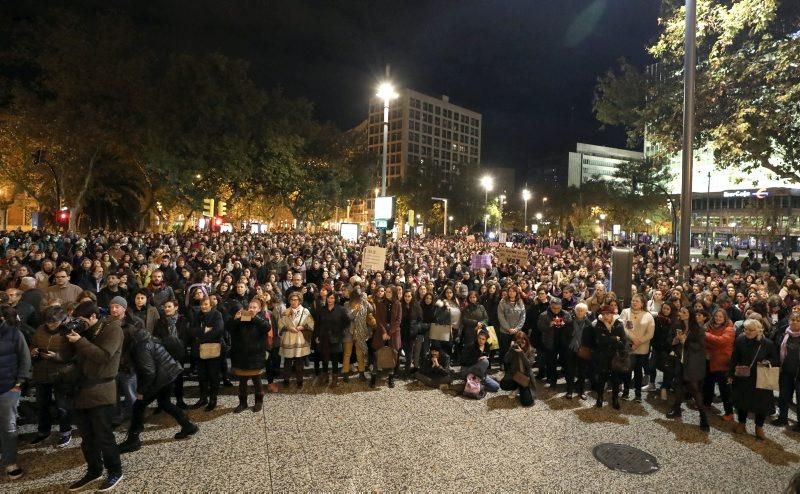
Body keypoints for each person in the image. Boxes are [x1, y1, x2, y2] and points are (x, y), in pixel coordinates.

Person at [66, 301, 124, 492]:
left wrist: (80, 341)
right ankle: (94, 470)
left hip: (101, 389)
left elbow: (103, 356)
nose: (80, 324)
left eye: (82, 320)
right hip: (81, 389)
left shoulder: (113, 330)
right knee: (87, 437)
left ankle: (115, 471)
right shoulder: (85, 332)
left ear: (93, 316)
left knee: (103, 435)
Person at [117, 326, 198, 453]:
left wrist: (141, 391)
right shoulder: (143, 338)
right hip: (169, 373)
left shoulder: (140, 346)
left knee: (138, 406)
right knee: (165, 403)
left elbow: (149, 372)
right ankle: (188, 426)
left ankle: (133, 440)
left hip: (161, 378)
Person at [29, 306, 74, 448]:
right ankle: (43, 431)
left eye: (54, 323)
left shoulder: (69, 331)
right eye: (48, 322)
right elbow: (33, 344)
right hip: (41, 372)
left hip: (61, 373)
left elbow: (74, 354)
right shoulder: (40, 329)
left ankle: (66, 432)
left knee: (62, 406)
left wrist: (56, 356)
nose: (51, 325)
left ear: (62, 320)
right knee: (42, 404)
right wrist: (34, 351)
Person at [729, 318, 779, 439]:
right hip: (743, 376)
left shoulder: (767, 343)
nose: (747, 332)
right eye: (746, 329)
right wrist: (730, 374)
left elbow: (775, 360)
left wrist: (767, 361)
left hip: (761, 377)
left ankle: (759, 427)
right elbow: (734, 357)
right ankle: (742, 423)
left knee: (761, 403)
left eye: (751, 330)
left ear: (759, 330)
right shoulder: (740, 339)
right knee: (742, 401)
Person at [0, 305, 31, 481]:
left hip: (8, 387)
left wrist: (18, 384)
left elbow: (25, 359)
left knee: (8, 426)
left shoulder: (13, 333)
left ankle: (10, 461)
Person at [666, 308, 710, 432]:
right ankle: (677, 409)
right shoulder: (676, 325)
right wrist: (674, 340)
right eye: (680, 312)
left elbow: (700, 346)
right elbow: (669, 340)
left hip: (692, 363)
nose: (681, 314)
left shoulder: (697, 328)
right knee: (678, 385)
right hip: (679, 360)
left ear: (690, 315)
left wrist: (686, 342)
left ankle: (703, 417)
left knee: (694, 389)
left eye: (685, 312)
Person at [228, 298, 272, 412]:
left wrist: (255, 317)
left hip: (256, 355)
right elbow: (230, 329)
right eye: (250, 307)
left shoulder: (261, 318)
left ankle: (259, 401)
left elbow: (266, 327)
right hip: (241, 355)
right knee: (242, 381)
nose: (251, 309)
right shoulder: (242, 317)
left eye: (254, 307)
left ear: (259, 309)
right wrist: (236, 319)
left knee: (257, 380)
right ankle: (242, 403)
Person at [152, 299, 190, 409]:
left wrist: (179, 345)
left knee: (178, 378)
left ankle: (180, 400)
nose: (166, 309)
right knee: (163, 378)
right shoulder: (160, 321)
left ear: (176, 307)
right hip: (164, 353)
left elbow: (186, 336)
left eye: (169, 306)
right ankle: (163, 403)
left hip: (179, 352)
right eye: (165, 307)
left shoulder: (183, 320)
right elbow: (156, 336)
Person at [588, 305, 627, 409]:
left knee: (615, 379)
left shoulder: (619, 324)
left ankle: (615, 399)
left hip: (615, 356)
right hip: (602, 355)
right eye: (604, 314)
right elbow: (599, 341)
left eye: (608, 314)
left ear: (613, 314)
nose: (605, 316)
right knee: (602, 378)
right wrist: (614, 338)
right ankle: (599, 397)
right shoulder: (598, 324)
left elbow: (623, 341)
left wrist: (608, 339)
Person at [190, 296, 225, 411]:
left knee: (213, 376)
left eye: (206, 304)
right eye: (202, 304)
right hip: (199, 351)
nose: (203, 307)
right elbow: (191, 330)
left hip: (212, 350)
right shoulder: (198, 315)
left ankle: (213, 399)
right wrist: (204, 330)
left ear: (211, 305)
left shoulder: (216, 315)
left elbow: (218, 330)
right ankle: (203, 398)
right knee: (202, 376)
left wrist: (201, 338)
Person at [619, 294, 654, 402]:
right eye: (633, 300)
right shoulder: (626, 312)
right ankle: (625, 391)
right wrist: (633, 339)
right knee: (627, 370)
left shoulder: (648, 316)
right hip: (628, 346)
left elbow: (650, 333)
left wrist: (639, 342)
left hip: (642, 348)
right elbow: (623, 327)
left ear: (642, 303)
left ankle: (638, 394)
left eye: (637, 301)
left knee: (638, 372)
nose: (634, 302)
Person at [703, 308, 736, 421]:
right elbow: (712, 343)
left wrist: (706, 336)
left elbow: (721, 341)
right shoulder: (709, 326)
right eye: (716, 316)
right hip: (709, 360)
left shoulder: (729, 329)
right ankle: (707, 403)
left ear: (725, 318)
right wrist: (713, 344)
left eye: (720, 317)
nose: (718, 318)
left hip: (722, 363)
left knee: (725, 389)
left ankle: (729, 412)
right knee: (708, 384)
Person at [278, 292, 314, 389]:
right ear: (289, 301)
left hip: (300, 339)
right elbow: (280, 324)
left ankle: (300, 381)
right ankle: (286, 380)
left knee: (299, 362)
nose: (294, 302)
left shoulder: (305, 311)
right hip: (288, 338)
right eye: (292, 300)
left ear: (299, 300)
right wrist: (289, 328)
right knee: (287, 361)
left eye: (296, 300)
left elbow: (311, 323)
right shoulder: (285, 312)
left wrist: (302, 326)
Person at [313, 292, 349, 387]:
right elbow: (317, 324)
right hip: (323, 338)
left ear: (335, 299)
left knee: (335, 361)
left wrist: (341, 333)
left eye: (332, 298)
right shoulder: (321, 310)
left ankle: (335, 380)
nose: (330, 300)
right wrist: (316, 336)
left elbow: (347, 322)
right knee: (324, 359)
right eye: (328, 298)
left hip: (336, 339)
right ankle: (325, 377)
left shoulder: (341, 310)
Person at [774, 312, 800, 430]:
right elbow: (776, 346)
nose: (794, 322)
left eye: (797, 320)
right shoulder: (784, 332)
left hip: (798, 373)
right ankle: (782, 418)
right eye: (792, 320)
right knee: (783, 396)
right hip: (786, 371)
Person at [371, 285, 401, 388]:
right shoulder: (380, 303)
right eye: (386, 291)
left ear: (393, 293)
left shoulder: (398, 304)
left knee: (392, 355)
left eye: (389, 292)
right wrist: (384, 332)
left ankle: (391, 378)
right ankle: (373, 377)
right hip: (381, 332)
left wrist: (390, 332)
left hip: (393, 333)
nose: (387, 293)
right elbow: (378, 319)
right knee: (378, 353)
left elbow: (398, 321)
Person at [343, 279, 372, 383]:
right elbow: (348, 317)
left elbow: (372, 309)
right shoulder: (347, 304)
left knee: (360, 354)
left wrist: (366, 301)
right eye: (357, 297)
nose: (358, 299)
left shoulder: (363, 303)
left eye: (360, 297)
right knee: (347, 353)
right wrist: (355, 310)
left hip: (360, 331)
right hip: (349, 332)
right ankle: (345, 373)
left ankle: (361, 373)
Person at [499, 331, 535, 407]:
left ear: (526, 340)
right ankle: (516, 388)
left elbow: (529, 365)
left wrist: (521, 353)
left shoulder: (531, 350)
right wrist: (511, 349)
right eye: (519, 341)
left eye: (523, 340)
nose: (521, 343)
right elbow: (505, 360)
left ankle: (520, 389)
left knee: (527, 402)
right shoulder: (513, 349)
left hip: (524, 378)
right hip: (515, 376)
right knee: (503, 385)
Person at [562, 302, 589, 399]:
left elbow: (591, 338)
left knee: (582, 372)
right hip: (571, 349)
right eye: (578, 310)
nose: (579, 312)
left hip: (583, 350)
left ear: (585, 312)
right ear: (575, 311)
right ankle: (569, 390)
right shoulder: (569, 322)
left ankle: (581, 391)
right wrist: (568, 346)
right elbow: (564, 336)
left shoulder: (588, 324)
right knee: (570, 371)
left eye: (582, 310)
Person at [459, 328, 500, 393]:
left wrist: (485, 358)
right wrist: (477, 358)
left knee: (496, 387)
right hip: (467, 370)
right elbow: (462, 361)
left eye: (483, 339)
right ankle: (473, 382)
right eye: (479, 338)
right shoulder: (471, 346)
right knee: (485, 362)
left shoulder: (487, 346)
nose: (480, 340)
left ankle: (477, 385)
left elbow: (488, 358)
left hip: (480, 375)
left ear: (486, 340)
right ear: (477, 338)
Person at [497, 285, 526, 361]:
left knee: (516, 349)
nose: (511, 293)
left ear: (516, 292)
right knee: (504, 349)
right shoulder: (503, 302)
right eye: (510, 291)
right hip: (505, 331)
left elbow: (523, 316)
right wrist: (508, 328)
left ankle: (514, 365)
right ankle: (502, 363)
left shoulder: (520, 302)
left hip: (517, 332)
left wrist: (517, 329)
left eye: (513, 291)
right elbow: (501, 316)